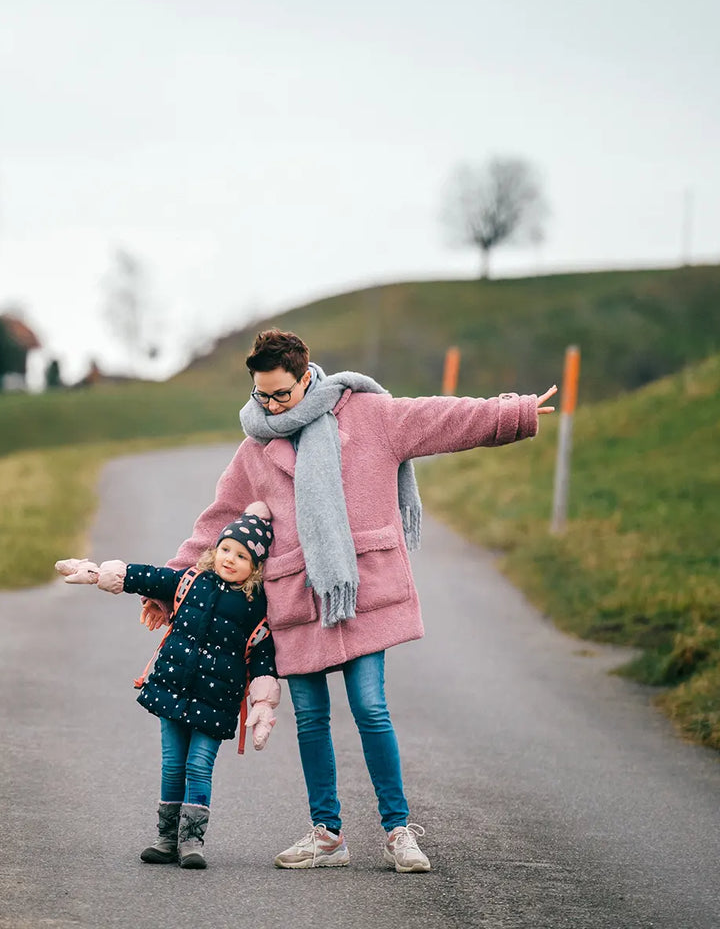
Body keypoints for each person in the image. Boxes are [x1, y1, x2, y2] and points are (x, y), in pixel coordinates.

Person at [158, 329, 557, 873]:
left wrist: (514, 414)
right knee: (311, 718)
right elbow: (217, 521)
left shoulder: (368, 413)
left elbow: (444, 419)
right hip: (296, 598)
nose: (271, 406)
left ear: (306, 377)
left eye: (281, 394)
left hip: (362, 591)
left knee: (371, 708)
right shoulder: (255, 448)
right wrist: (173, 583)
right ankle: (328, 834)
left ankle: (398, 832)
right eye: (261, 396)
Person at [54, 502, 282, 869]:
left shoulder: (256, 607)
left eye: (241, 556)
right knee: (173, 765)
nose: (229, 558)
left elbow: (262, 657)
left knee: (199, 765)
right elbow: (148, 577)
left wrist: (263, 703)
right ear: (215, 549)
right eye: (225, 549)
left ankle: (192, 841)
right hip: (173, 689)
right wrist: (100, 573)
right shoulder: (190, 581)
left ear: (255, 567)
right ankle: (166, 838)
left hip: (216, 701)